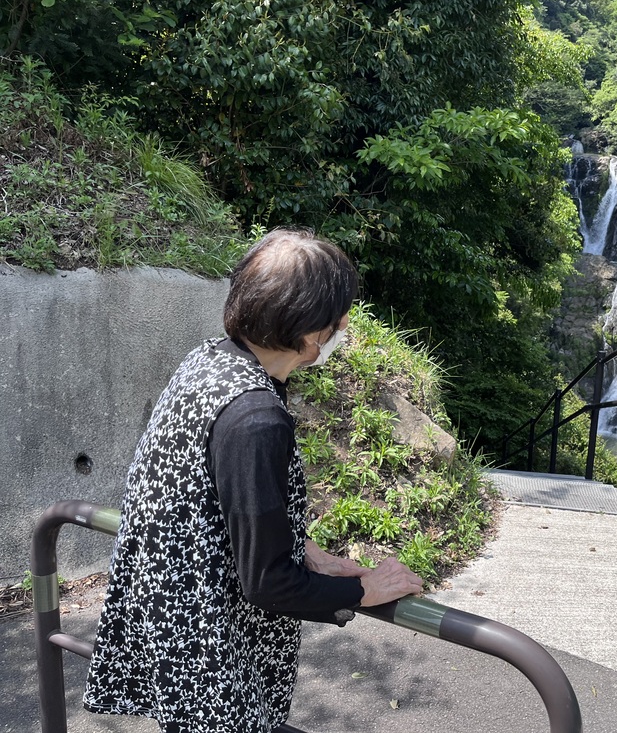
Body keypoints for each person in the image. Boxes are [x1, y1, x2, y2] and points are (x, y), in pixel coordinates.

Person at [83, 227, 423, 732]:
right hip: (207, 652)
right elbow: (268, 584)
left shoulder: (209, 360)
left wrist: (300, 546)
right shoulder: (255, 416)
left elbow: (208, 493)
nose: (346, 324)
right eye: (339, 316)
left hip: (170, 626)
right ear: (310, 337)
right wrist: (364, 591)